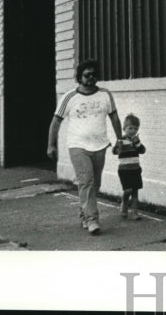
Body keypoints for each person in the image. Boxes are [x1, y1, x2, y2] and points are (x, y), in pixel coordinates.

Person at [47, 59, 121, 235]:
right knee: (86, 181)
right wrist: (51, 145)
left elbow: (115, 118)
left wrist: (120, 140)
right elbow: (55, 122)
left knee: (95, 184)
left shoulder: (105, 95)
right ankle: (92, 219)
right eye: (87, 75)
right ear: (80, 77)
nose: (91, 78)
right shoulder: (70, 97)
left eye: (94, 74)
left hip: (100, 145)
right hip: (78, 146)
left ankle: (84, 213)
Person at [112, 113, 146, 220]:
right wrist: (118, 147)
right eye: (130, 128)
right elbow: (114, 151)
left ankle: (135, 213)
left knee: (135, 191)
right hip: (124, 170)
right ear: (124, 128)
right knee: (128, 190)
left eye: (136, 128)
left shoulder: (136, 140)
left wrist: (138, 143)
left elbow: (143, 150)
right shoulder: (121, 140)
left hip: (135, 169)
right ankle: (124, 206)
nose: (133, 131)